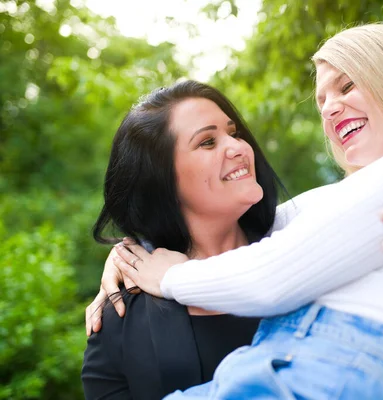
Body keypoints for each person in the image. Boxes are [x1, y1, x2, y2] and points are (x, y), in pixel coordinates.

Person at [110, 23, 383, 399]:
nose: (328, 109)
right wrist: (131, 254)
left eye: (347, 86)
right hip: (280, 361)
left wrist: (170, 276)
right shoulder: (342, 199)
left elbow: (273, 272)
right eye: (322, 100)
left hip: (335, 371)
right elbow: (262, 225)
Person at [81, 81, 282, 399]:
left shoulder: (300, 251)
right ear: (160, 179)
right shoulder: (120, 314)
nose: (239, 147)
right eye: (208, 142)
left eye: (234, 132)